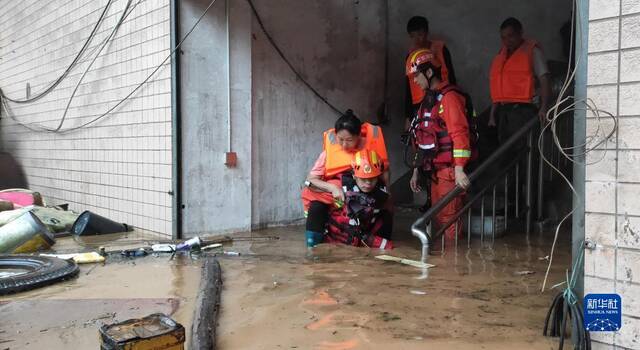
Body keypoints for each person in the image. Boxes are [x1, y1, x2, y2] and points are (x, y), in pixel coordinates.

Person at [406, 49, 472, 241]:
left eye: (416, 75)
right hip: (434, 172)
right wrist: (416, 171)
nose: (415, 81)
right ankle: (443, 266)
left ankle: (451, 266)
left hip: (449, 172)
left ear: (428, 72)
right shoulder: (428, 101)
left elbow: (460, 134)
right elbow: (419, 138)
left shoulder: (449, 98)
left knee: (448, 222)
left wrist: (460, 168)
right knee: (437, 220)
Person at [301, 110, 390, 247]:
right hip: (338, 195)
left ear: (359, 136)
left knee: (387, 206)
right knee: (315, 206)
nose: (343, 145)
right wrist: (333, 188)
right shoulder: (328, 154)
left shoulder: (371, 150)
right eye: (340, 139)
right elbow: (311, 180)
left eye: (349, 140)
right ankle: (312, 247)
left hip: (365, 193)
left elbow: (385, 177)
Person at [303, 149, 393, 249]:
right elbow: (308, 190)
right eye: (363, 179)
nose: (368, 183)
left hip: (362, 237)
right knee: (316, 207)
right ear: (354, 176)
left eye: (372, 179)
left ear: (378, 176)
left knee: (387, 215)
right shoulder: (340, 186)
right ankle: (312, 247)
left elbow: (388, 209)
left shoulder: (381, 193)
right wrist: (333, 191)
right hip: (335, 236)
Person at [488, 17, 551, 145]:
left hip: (524, 110)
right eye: (503, 37)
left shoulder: (532, 51)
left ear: (520, 33)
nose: (507, 41)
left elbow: (544, 80)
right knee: (506, 149)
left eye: (510, 36)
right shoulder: (501, 56)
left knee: (522, 148)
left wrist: (544, 108)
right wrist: (492, 114)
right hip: (504, 111)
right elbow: (498, 88)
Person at [404, 16, 457, 132]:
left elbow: (451, 76)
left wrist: (453, 95)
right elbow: (408, 88)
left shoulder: (440, 49)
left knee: (443, 133)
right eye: (413, 36)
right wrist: (408, 116)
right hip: (420, 105)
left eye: (420, 34)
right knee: (421, 138)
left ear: (427, 33)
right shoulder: (411, 56)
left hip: (441, 100)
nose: (417, 40)